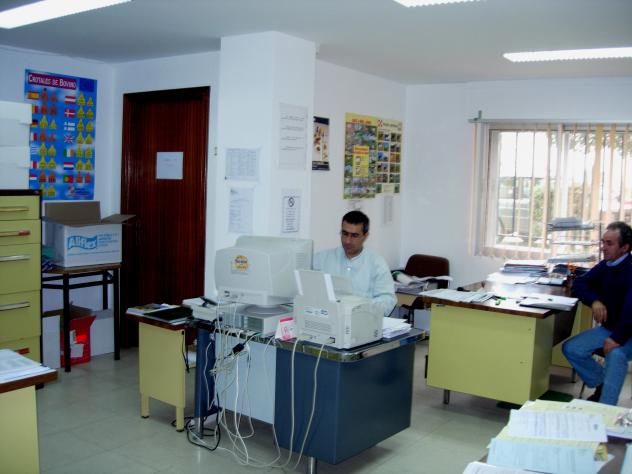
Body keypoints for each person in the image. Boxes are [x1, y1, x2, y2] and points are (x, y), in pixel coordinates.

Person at [562, 221, 632, 405]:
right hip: (612, 328)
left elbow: (630, 312)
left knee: (616, 355)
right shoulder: (606, 265)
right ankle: (603, 383)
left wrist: (616, 338)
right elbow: (579, 283)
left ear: (624, 247)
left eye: (609, 243)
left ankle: (606, 408)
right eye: (603, 242)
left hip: (628, 332)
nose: (603, 247)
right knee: (572, 349)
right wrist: (594, 300)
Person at [312, 210, 396, 316]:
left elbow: (388, 299)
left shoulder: (377, 264)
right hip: (329, 318)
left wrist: (362, 308)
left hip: (362, 319)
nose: (347, 241)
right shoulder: (321, 259)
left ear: (365, 236)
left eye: (354, 235)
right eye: (345, 234)